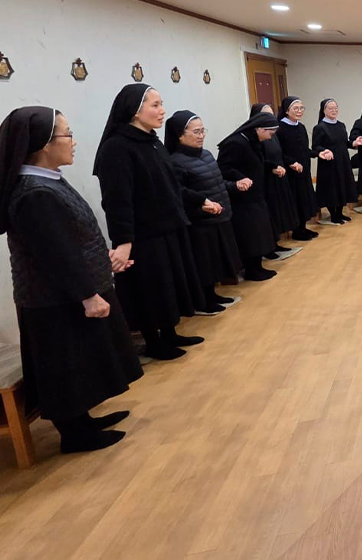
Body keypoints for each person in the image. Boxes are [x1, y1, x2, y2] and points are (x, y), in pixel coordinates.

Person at [0, 106, 143, 453]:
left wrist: (102, 258)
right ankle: (74, 435)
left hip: (67, 292)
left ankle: (83, 421)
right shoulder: (34, 192)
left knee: (82, 361)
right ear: (44, 144)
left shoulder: (47, 180)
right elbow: (55, 255)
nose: (74, 142)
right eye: (68, 134)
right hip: (53, 299)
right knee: (66, 366)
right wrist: (88, 295)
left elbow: (72, 237)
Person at [94, 84, 205, 360]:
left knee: (169, 285)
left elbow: (169, 185)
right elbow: (117, 200)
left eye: (161, 103)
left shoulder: (153, 141)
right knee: (150, 289)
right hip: (144, 235)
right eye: (155, 105)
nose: (162, 110)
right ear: (134, 110)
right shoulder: (117, 147)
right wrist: (124, 241)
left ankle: (169, 332)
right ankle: (153, 342)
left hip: (168, 227)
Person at [164, 110, 242, 313]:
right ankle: (203, 301)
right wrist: (200, 205)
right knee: (204, 263)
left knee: (216, 260)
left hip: (218, 216)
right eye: (196, 132)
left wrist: (233, 186)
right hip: (199, 221)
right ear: (180, 136)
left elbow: (217, 182)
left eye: (202, 130)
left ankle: (212, 294)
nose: (201, 136)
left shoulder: (206, 154)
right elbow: (178, 193)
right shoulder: (175, 161)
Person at [217, 112, 279, 281]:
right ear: (259, 129)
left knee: (259, 233)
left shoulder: (254, 141)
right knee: (250, 235)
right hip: (242, 198)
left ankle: (258, 266)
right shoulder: (235, 143)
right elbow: (223, 167)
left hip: (256, 195)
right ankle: (251, 270)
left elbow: (255, 163)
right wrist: (240, 177)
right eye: (270, 133)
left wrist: (272, 167)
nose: (270, 137)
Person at [249, 103, 298, 258]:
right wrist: (271, 168)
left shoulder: (272, 134)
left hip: (278, 177)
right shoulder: (255, 136)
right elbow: (257, 160)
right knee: (269, 212)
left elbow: (279, 153)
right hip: (266, 180)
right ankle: (268, 248)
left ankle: (275, 243)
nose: (270, 117)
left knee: (278, 211)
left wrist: (288, 163)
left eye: (271, 114)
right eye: (266, 114)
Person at [275, 96, 321, 240]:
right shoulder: (280, 128)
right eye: (296, 108)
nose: (299, 111)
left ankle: (303, 228)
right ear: (286, 110)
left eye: (301, 108)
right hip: (290, 173)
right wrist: (291, 163)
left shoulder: (300, 127)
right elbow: (278, 151)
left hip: (304, 171)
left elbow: (304, 150)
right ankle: (296, 231)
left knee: (304, 200)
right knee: (295, 201)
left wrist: (318, 153)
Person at [312, 99, 357, 224]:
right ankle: (333, 215)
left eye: (335, 108)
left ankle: (340, 212)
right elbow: (315, 146)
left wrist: (354, 143)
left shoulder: (341, 125)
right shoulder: (320, 127)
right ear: (324, 110)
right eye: (330, 108)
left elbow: (345, 143)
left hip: (343, 162)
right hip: (329, 163)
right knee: (332, 188)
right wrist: (324, 151)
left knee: (343, 186)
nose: (334, 110)